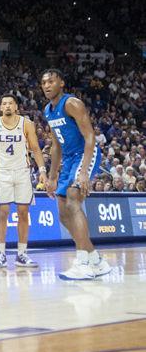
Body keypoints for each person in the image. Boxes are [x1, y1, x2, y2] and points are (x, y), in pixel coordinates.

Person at [41, 69, 112, 280]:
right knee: (63, 212)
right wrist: (52, 177)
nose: (47, 85)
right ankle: (95, 259)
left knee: (73, 201)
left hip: (85, 154)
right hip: (69, 158)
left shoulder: (71, 103)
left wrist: (83, 172)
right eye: (43, 82)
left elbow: (90, 136)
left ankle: (82, 262)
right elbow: (55, 146)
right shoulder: (48, 110)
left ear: (61, 83)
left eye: (51, 81)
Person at [0, 94, 46, 268]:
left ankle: (22, 254)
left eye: (10, 103)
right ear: (0, 107)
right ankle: (0, 254)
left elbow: (36, 148)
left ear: (16, 107)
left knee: (23, 213)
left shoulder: (27, 124)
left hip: (23, 171)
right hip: (3, 173)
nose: (7, 106)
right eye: (4, 103)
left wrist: (43, 171)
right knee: (3, 213)